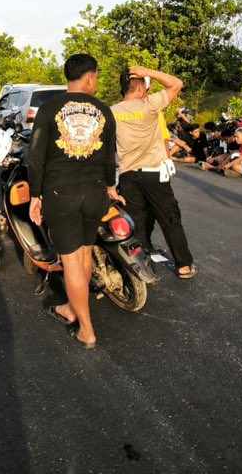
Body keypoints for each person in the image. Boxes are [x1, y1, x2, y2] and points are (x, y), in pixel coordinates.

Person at [28, 54, 121, 350]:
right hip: (95, 193)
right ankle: (72, 307)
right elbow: (109, 159)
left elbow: (36, 158)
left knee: (71, 263)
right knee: (83, 256)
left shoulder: (48, 109)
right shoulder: (104, 111)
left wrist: (35, 195)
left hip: (61, 194)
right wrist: (110, 187)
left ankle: (86, 330)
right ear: (89, 78)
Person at [112, 66, 197, 280]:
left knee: (136, 221)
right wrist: (146, 70)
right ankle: (184, 266)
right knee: (169, 218)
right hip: (154, 173)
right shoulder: (149, 105)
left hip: (128, 174)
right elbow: (176, 83)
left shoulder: (111, 112)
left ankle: (139, 267)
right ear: (140, 88)